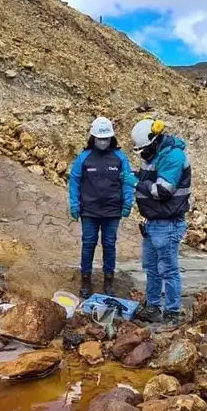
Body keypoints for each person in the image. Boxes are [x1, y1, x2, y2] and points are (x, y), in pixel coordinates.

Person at [130, 116, 191, 325]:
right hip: (153, 222)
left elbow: (163, 190)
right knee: (152, 268)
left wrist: (137, 182)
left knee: (168, 269)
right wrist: (134, 175)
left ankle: (173, 312)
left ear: (155, 141)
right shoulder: (155, 155)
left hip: (168, 221)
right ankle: (153, 307)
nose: (143, 155)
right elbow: (149, 178)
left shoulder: (173, 157)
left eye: (145, 150)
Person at [68, 116, 137, 298]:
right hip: (89, 211)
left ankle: (108, 282)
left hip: (112, 211)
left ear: (111, 138)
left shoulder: (120, 158)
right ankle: (85, 282)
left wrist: (127, 203)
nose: (103, 142)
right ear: (93, 138)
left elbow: (128, 182)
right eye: (100, 138)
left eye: (106, 139)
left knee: (109, 245)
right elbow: (74, 181)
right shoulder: (84, 158)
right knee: (88, 244)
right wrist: (74, 205)